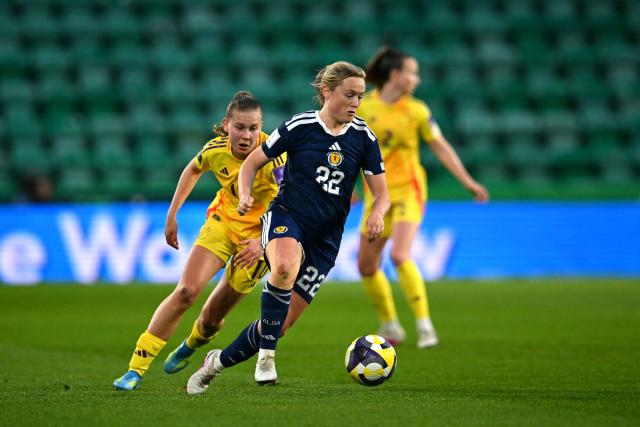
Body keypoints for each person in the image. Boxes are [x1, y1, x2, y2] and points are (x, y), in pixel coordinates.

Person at [185, 61, 390, 394]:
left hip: (326, 240)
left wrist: (377, 213)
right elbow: (253, 161)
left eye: (361, 96)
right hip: (286, 216)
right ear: (327, 91)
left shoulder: (364, 138)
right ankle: (266, 357)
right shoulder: (299, 126)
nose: (356, 102)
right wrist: (247, 191)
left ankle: (216, 363)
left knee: (278, 325)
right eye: (349, 94)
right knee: (283, 266)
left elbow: (382, 194)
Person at [112, 91, 286, 391]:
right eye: (240, 127)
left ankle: (191, 345)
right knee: (185, 292)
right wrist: (172, 213)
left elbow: (291, 202)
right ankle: (136, 369)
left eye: (254, 128)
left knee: (211, 317)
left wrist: (262, 239)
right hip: (224, 223)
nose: (247, 135)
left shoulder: (274, 155)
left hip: (260, 239)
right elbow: (193, 168)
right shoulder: (216, 149)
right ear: (226, 125)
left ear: (261, 127)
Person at [356, 46, 489, 349]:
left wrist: (468, 181)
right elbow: (353, 150)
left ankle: (425, 326)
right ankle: (391, 324)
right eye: (412, 72)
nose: (416, 79)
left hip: (408, 191)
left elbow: (440, 146)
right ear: (395, 75)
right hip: (377, 195)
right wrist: (349, 187)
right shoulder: (364, 109)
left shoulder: (416, 111)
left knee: (400, 254)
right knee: (366, 266)